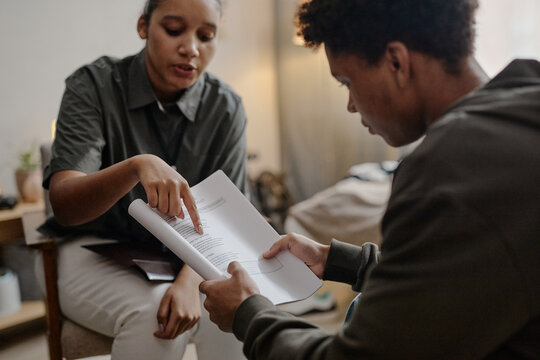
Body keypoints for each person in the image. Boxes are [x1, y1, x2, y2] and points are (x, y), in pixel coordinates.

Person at [199, 0, 540, 358]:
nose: (350, 105)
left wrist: (248, 313)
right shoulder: (521, 105)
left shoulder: (451, 167)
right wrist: (342, 262)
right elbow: (466, 274)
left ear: (396, 62)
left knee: (358, 311)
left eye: (346, 81)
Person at [39, 0, 247, 359]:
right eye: (173, 30)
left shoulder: (226, 107)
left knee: (243, 311)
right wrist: (135, 166)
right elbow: (65, 206)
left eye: (206, 35)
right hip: (94, 245)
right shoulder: (93, 86)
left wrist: (188, 282)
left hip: (185, 254)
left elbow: (228, 217)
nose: (191, 48)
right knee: (156, 320)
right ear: (143, 27)